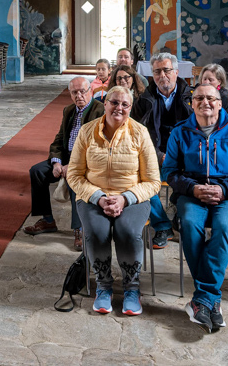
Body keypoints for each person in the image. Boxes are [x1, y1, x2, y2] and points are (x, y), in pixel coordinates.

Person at [162, 84, 228, 333]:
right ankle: (211, 301)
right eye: (199, 98)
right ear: (192, 103)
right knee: (189, 223)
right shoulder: (180, 132)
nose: (204, 102)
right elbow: (169, 172)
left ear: (219, 103)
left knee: (223, 226)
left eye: (210, 98)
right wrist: (193, 188)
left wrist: (224, 190)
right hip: (192, 194)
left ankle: (203, 299)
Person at [67, 85, 161, 315]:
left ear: (130, 108)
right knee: (97, 232)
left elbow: (153, 182)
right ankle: (103, 286)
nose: (119, 108)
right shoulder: (87, 131)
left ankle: (132, 288)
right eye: (114, 102)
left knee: (127, 231)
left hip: (131, 198)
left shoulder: (139, 133)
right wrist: (98, 197)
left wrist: (125, 198)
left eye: (125, 104)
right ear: (105, 103)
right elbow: (74, 175)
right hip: (92, 197)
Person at [24, 76, 104, 251]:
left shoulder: (100, 110)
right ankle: (47, 220)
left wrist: (74, 165)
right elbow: (59, 140)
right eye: (74, 92)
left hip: (86, 161)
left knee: (74, 180)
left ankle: (79, 229)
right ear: (70, 94)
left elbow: (97, 145)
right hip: (66, 157)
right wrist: (56, 163)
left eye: (82, 91)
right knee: (37, 171)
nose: (79, 96)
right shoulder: (69, 110)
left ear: (90, 91)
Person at [131, 52, 192, 248]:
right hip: (154, 156)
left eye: (166, 70)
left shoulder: (191, 97)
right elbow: (137, 134)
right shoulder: (144, 100)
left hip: (184, 157)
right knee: (138, 180)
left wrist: (176, 157)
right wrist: (158, 155)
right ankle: (162, 225)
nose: (162, 75)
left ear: (176, 72)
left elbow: (197, 132)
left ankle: (181, 215)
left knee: (196, 177)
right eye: (157, 72)